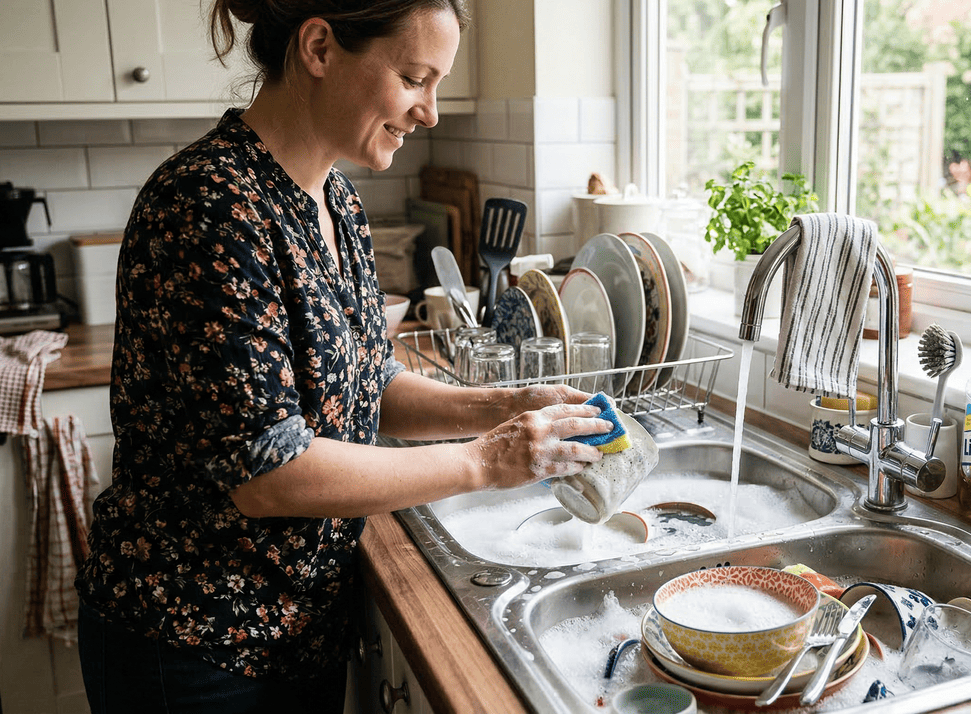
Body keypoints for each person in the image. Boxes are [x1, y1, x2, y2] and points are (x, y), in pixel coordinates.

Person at [75, 2, 610, 712]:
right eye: (414, 78)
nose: (430, 112)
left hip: (300, 629)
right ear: (320, 48)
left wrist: (506, 405)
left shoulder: (337, 199)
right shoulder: (209, 204)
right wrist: (488, 460)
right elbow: (269, 472)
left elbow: (370, 383)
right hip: (195, 644)